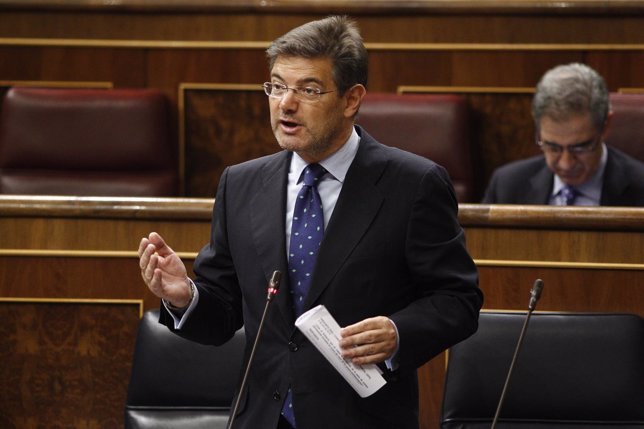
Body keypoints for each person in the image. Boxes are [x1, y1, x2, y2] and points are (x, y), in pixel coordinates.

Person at [138, 15, 482, 429]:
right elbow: (226, 312)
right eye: (277, 86)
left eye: (308, 89)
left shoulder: (413, 184)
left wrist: (397, 332)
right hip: (263, 418)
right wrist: (185, 297)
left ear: (351, 99)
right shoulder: (241, 184)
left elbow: (458, 300)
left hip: (361, 419)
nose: (286, 103)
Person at [482, 62, 644, 206]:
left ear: (605, 126)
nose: (566, 164)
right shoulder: (507, 186)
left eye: (580, 147)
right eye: (553, 147)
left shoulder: (640, 188)